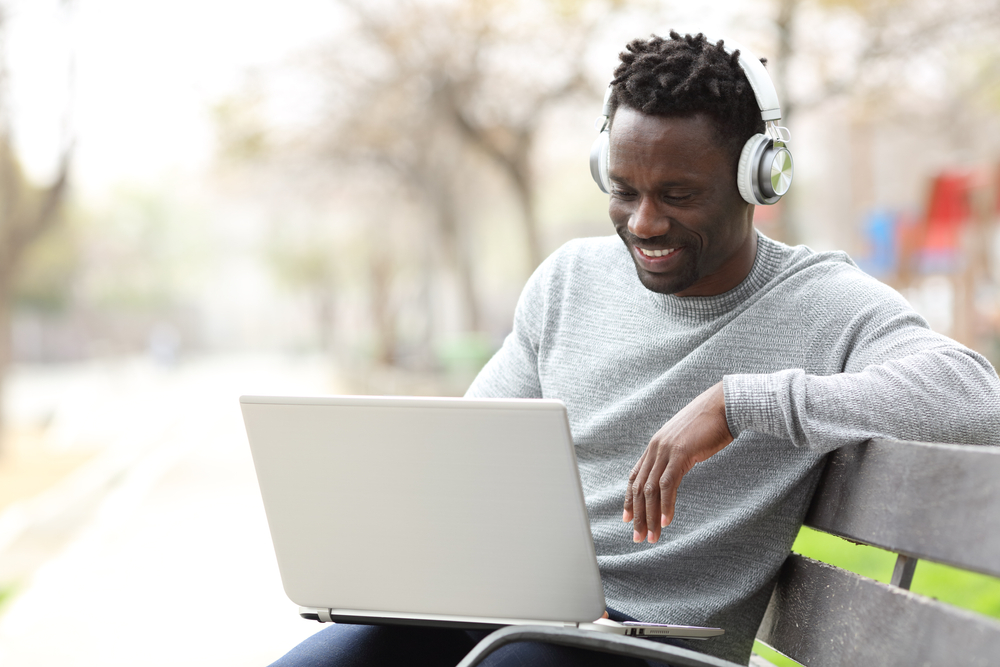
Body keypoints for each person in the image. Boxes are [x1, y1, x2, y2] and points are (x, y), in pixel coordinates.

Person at [271, 31, 1000, 666]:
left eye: (679, 194)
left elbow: (974, 396)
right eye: (623, 189)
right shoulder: (568, 281)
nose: (644, 222)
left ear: (757, 179)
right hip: (519, 616)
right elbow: (476, 447)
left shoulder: (825, 302)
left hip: (655, 648)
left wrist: (740, 402)